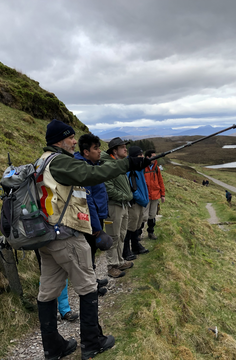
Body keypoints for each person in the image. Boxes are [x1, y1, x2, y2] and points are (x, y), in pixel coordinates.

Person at [35, 121, 149, 360]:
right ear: (59, 140)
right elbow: (91, 174)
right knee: (88, 287)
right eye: (71, 138)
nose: (74, 142)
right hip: (66, 235)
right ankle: (92, 342)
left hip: (46, 236)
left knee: (47, 292)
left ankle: (52, 348)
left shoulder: (42, 161)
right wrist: (127, 164)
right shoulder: (61, 161)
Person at [74, 133, 110, 295]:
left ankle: (93, 281)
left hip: (96, 217)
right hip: (89, 221)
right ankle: (91, 288)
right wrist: (96, 226)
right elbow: (87, 201)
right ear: (86, 152)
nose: (99, 151)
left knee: (92, 252)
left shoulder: (92, 165)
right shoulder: (85, 169)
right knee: (87, 254)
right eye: (96, 148)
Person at [100, 137, 135, 278]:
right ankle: (111, 266)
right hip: (114, 206)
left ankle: (119, 261)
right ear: (115, 150)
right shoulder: (108, 165)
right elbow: (108, 189)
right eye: (122, 147)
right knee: (113, 236)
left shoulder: (118, 164)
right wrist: (126, 197)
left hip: (123, 206)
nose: (126, 149)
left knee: (121, 235)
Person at [123, 146, 149, 260]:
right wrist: (140, 198)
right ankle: (126, 250)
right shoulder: (130, 169)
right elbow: (132, 188)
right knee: (130, 226)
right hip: (134, 202)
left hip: (140, 201)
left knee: (137, 225)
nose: (142, 157)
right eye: (140, 155)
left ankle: (135, 246)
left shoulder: (138, 168)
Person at [144, 149, 166, 240]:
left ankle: (151, 232)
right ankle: (138, 233)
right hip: (145, 196)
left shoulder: (156, 168)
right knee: (143, 216)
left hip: (155, 195)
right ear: (147, 157)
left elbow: (160, 181)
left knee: (152, 215)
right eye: (153, 156)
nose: (155, 158)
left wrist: (163, 195)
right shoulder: (142, 167)